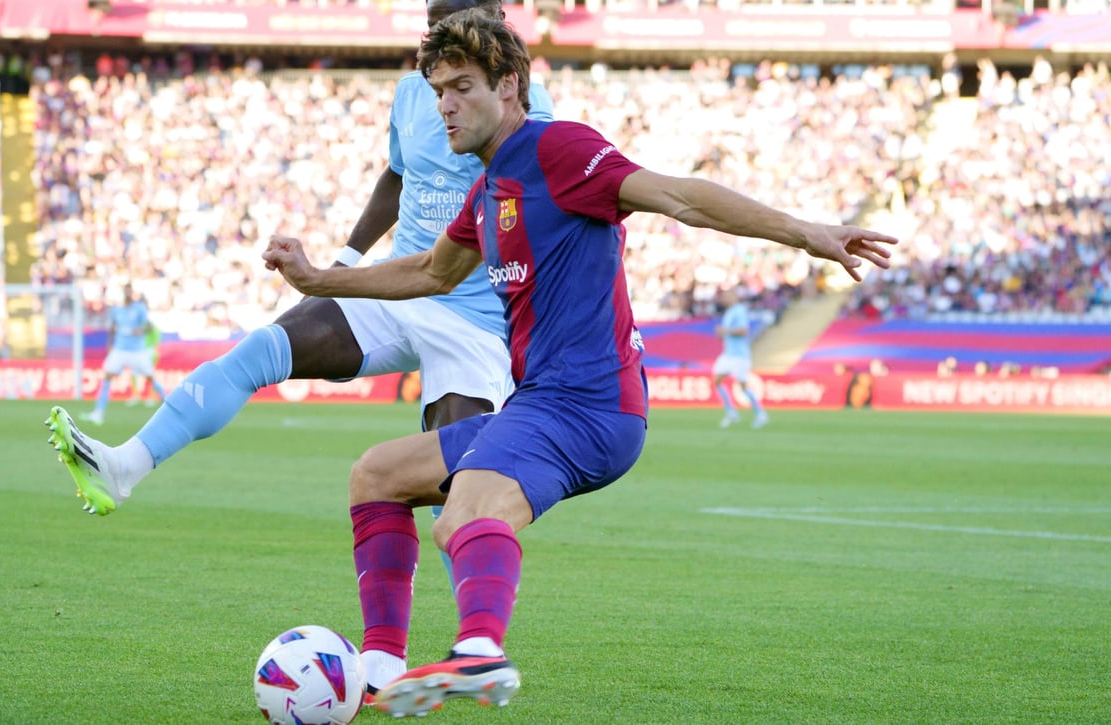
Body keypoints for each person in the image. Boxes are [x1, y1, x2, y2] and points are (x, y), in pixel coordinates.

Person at [261, 10, 896, 717]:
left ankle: (480, 650)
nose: (444, 105)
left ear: (509, 86)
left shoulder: (557, 148)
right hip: (546, 403)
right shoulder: (490, 188)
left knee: (462, 513)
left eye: (462, 87)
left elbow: (681, 196)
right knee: (377, 475)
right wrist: (321, 279)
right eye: (439, 90)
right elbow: (431, 272)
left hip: (587, 404)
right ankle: (379, 670)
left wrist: (806, 232)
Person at [44, 0, 554, 698]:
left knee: (455, 487)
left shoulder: (526, 107)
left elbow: (541, 210)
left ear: (493, 21)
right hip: (395, 286)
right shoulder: (417, 91)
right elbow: (398, 175)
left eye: (451, 22)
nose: (436, 45)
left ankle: (472, 651)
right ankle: (124, 465)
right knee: (263, 348)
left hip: (473, 317)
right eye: (430, 26)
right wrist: (345, 258)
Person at [80, 284, 166, 425]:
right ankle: (98, 414)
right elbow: (113, 327)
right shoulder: (117, 310)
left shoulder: (139, 308)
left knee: (150, 378)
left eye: (129, 291)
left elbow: (149, 326)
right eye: (126, 291)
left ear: (132, 293)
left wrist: (141, 330)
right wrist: (109, 344)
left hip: (137, 351)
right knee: (107, 376)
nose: (127, 294)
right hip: (119, 349)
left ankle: (169, 404)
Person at [712, 286, 768, 429]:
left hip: (740, 355)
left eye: (727, 296)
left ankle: (760, 413)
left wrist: (725, 331)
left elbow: (744, 331)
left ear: (735, 297)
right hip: (728, 354)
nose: (724, 298)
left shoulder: (740, 310)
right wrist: (721, 334)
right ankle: (731, 412)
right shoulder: (729, 312)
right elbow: (726, 334)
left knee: (743, 387)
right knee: (717, 381)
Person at [126, 322, 162, 407]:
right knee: (133, 373)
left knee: (149, 375)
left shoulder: (151, 327)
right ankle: (135, 395)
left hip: (150, 353)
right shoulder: (140, 326)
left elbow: (151, 332)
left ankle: (151, 396)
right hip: (139, 352)